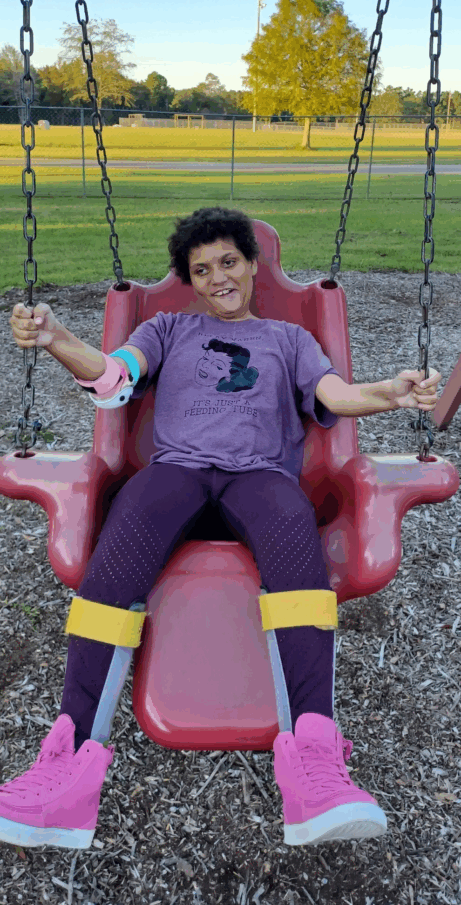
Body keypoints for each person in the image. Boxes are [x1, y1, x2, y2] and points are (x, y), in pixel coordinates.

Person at [2, 206, 440, 852]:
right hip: (175, 472)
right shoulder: (168, 327)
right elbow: (115, 377)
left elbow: (333, 395)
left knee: (299, 572)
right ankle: (63, 768)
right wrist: (61, 338)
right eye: (202, 270)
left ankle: (314, 766)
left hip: (260, 477)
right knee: (106, 582)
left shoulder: (287, 340)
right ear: (190, 279)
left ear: (251, 263)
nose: (218, 278)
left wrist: (389, 393)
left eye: (228, 262)